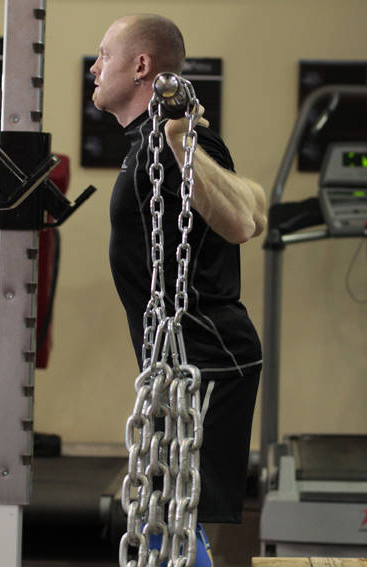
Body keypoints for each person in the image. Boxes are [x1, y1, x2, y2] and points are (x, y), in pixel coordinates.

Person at [89, 13, 266, 565]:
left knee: (172, 520)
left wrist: (178, 138)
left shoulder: (178, 137)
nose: (94, 68)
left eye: (104, 56)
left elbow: (244, 219)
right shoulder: (150, 141)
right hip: (178, 361)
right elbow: (257, 203)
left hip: (205, 357)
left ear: (141, 65)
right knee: (168, 520)